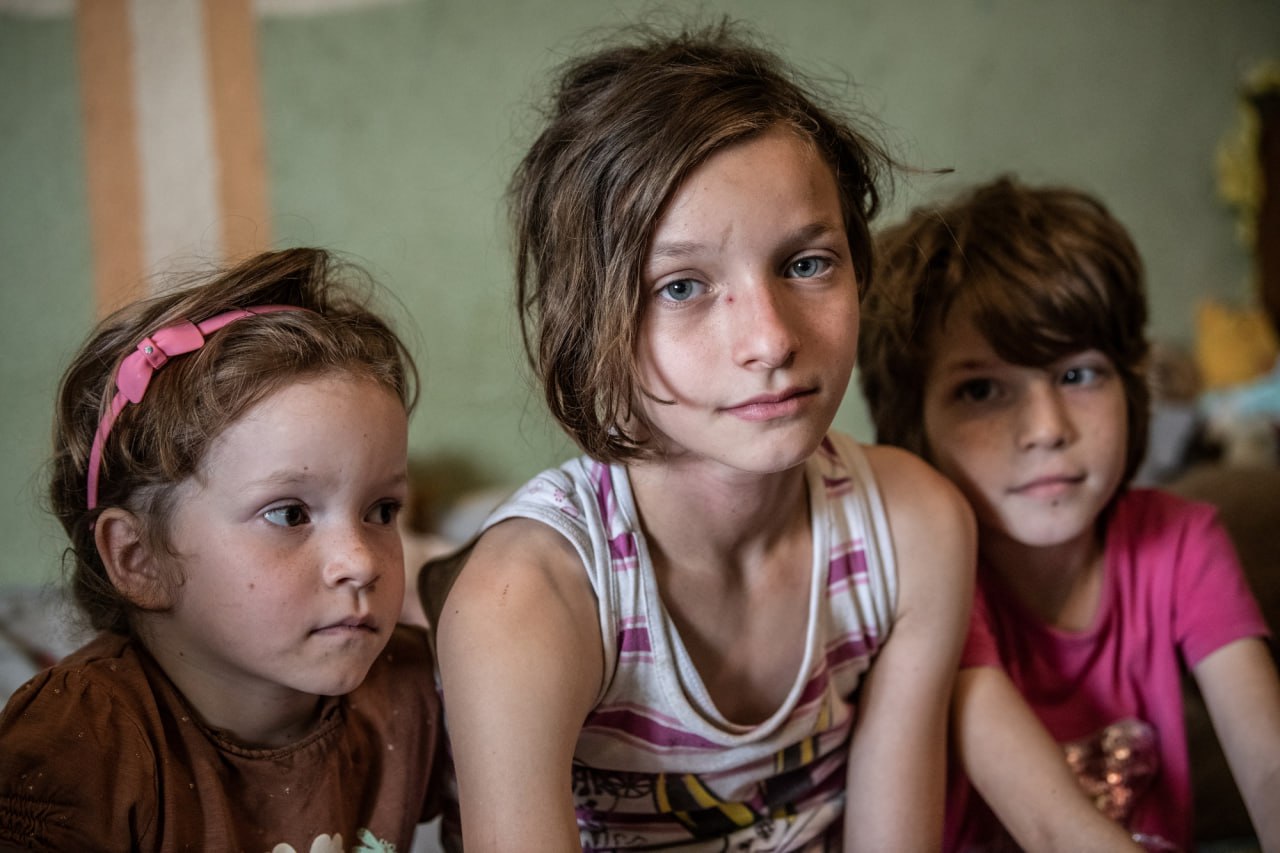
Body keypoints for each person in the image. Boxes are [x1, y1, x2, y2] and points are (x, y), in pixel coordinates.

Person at [426, 20, 975, 851]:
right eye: (681, 285)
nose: (771, 340)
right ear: (591, 324)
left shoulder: (913, 529)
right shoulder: (526, 602)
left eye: (806, 264)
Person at [859, 176, 1280, 852]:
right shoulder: (928, 575)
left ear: (1131, 387)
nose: (1048, 429)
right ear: (913, 426)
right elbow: (1054, 831)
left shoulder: (1182, 539)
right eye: (981, 390)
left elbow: (1270, 767)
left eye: (1078, 375)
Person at [0, 248, 444, 851]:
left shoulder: (414, 688)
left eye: (382, 511)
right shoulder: (78, 743)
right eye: (289, 514)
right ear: (138, 558)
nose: (361, 562)